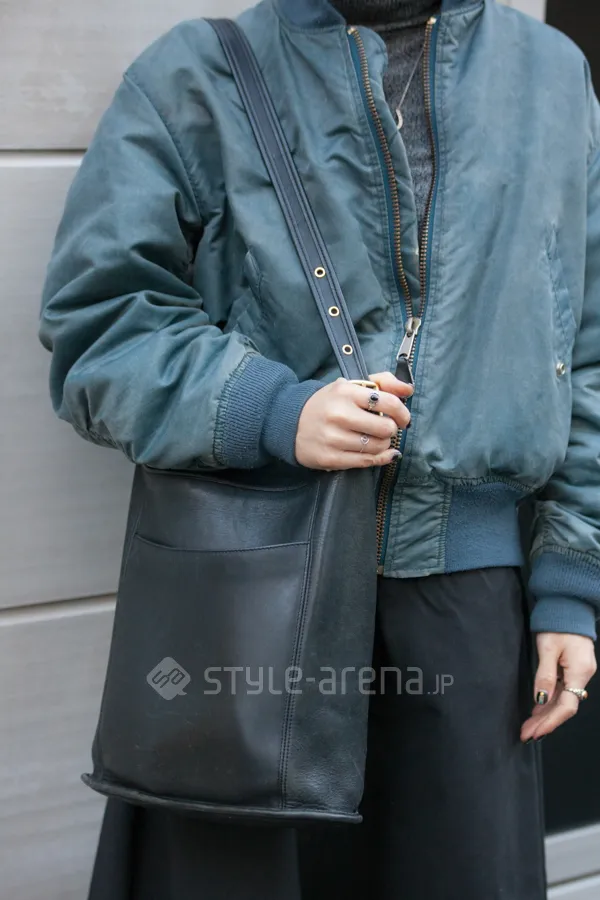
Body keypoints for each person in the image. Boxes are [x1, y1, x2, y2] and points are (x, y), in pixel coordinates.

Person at [39, 0, 599, 897]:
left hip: (465, 614)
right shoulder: (196, 74)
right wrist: (269, 410)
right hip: (251, 604)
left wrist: (572, 582)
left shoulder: (550, 75)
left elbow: (588, 343)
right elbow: (98, 324)